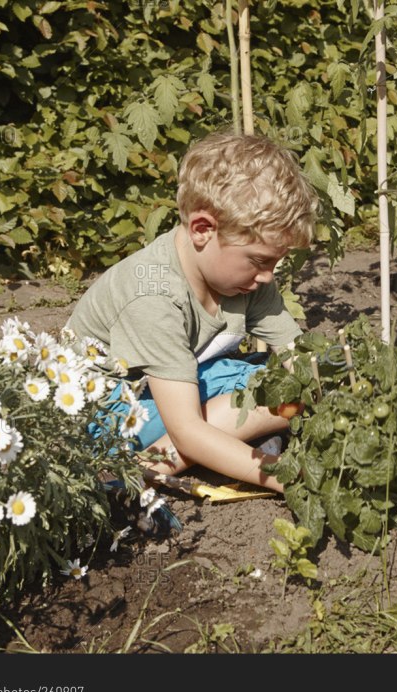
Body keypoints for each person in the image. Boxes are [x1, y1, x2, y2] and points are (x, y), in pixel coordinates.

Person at [66, 131, 318, 496]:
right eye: (260, 261)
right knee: (264, 393)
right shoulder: (152, 295)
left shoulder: (247, 280)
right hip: (103, 418)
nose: (269, 276)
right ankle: (132, 472)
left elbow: (300, 357)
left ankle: (179, 460)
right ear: (203, 230)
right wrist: (284, 475)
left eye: (276, 262)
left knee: (279, 384)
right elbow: (185, 427)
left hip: (163, 394)